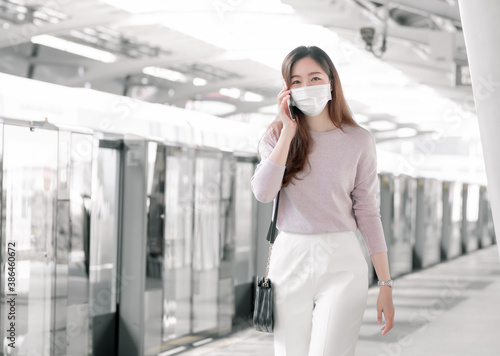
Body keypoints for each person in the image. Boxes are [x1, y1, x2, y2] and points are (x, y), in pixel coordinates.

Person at [250, 45, 395, 356]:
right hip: (290, 256)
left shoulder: (359, 140)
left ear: (331, 83)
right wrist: (289, 131)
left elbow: (368, 212)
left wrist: (386, 283)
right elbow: (263, 192)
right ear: (286, 91)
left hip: (342, 258)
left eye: (315, 78)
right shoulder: (275, 137)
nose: (306, 87)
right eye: (297, 81)